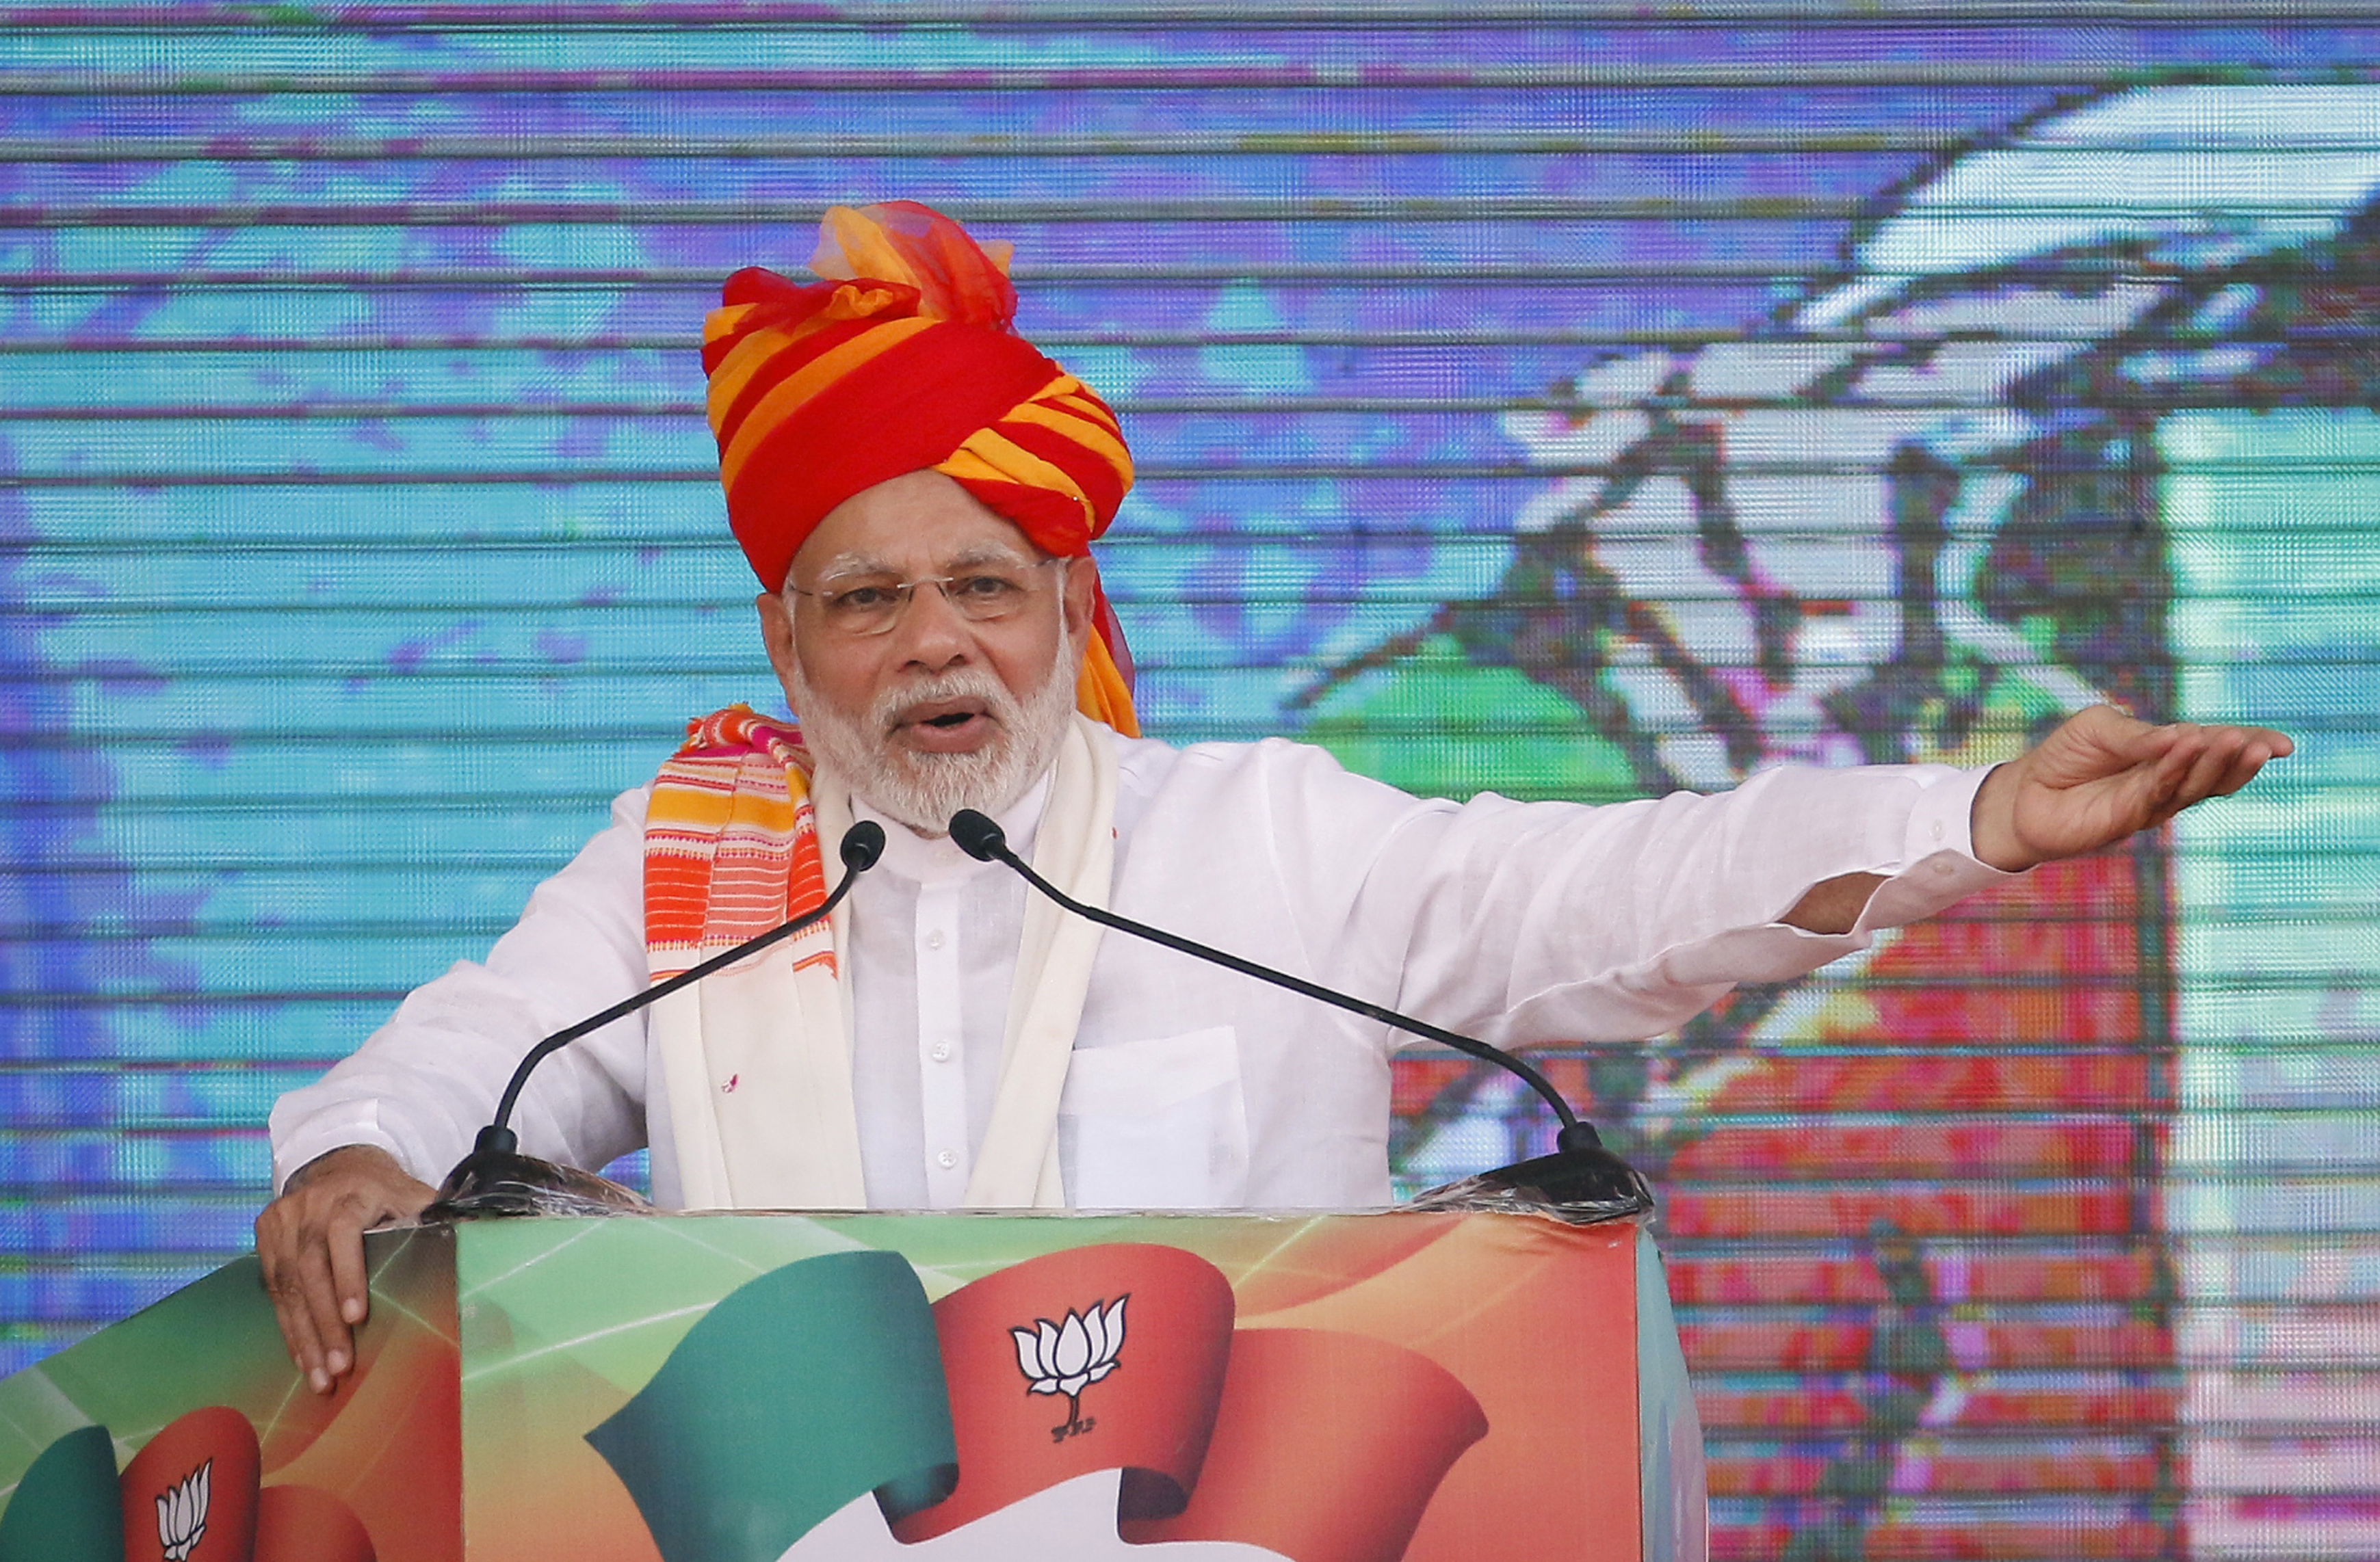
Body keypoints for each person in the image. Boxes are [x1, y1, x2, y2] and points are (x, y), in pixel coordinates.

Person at [255, 200, 2289, 1394]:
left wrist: (1979, 814)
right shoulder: (699, 866)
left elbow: (1626, 887)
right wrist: (362, 1150)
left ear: (1067, 607)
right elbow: (481, 1045)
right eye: (867, 601)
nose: (934, 647)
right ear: (792, 650)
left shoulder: (1259, 841)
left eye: (985, 586)